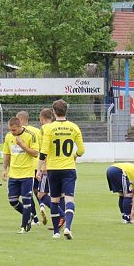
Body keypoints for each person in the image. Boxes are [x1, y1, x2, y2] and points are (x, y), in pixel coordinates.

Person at [38, 99, 85, 240]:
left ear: (53, 112)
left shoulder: (49, 128)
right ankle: (68, 228)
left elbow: (44, 152)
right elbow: (82, 150)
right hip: (69, 169)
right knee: (69, 199)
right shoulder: (74, 127)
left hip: (53, 169)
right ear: (66, 111)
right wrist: (74, 156)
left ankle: (56, 232)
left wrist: (39, 169)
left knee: (54, 200)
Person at [3, 117, 40, 233]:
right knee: (12, 201)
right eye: (10, 130)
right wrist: (4, 169)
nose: (12, 132)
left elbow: (35, 153)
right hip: (13, 174)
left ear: (20, 126)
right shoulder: (8, 136)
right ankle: (29, 215)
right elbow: (7, 153)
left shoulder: (30, 135)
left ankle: (24, 227)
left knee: (26, 201)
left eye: (14, 130)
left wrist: (22, 145)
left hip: (27, 174)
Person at [17, 110, 48, 226]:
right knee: (37, 191)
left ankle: (34, 218)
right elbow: (43, 147)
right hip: (38, 164)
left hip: (27, 167)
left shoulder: (20, 133)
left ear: (20, 119)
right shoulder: (37, 131)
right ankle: (42, 205)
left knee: (27, 193)